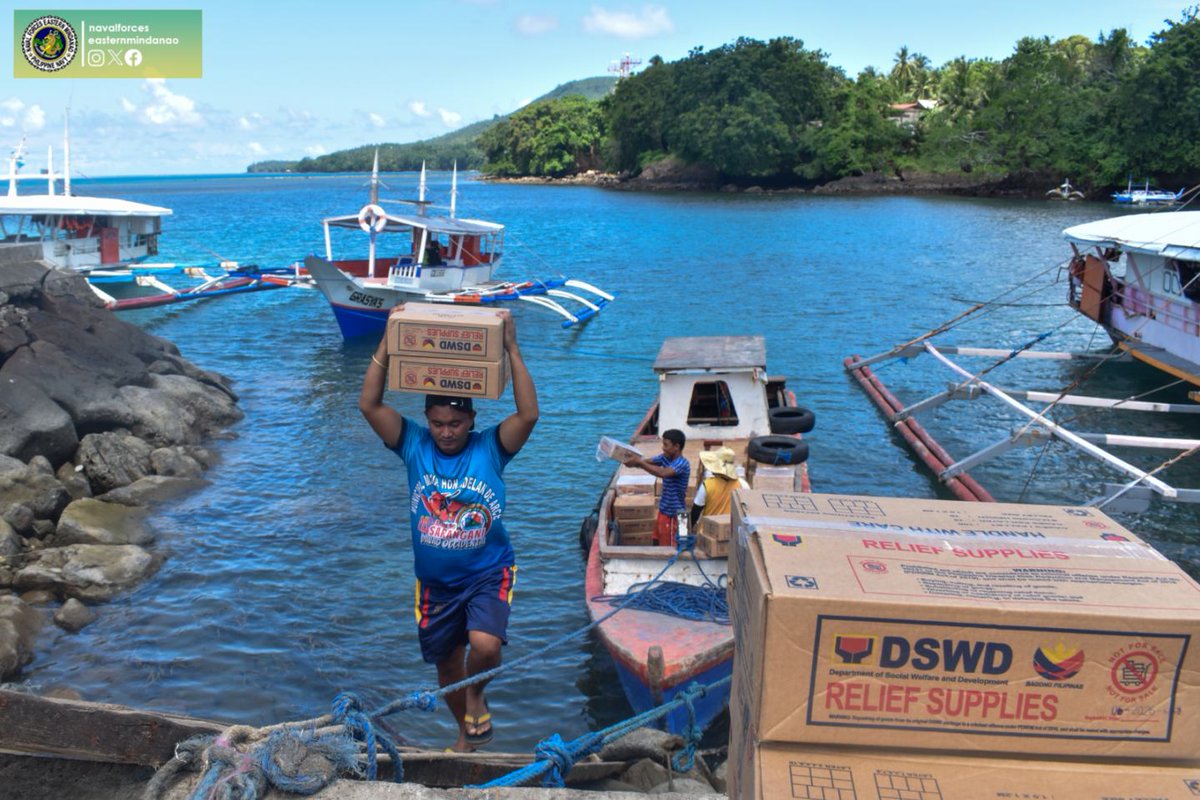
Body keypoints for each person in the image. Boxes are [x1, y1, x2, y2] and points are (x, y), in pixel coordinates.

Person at [359, 307, 538, 752]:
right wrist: (387, 342)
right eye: (438, 424)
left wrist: (512, 348)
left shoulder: (491, 448)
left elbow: (529, 414)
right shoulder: (414, 445)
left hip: (487, 572)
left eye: (455, 424)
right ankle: (464, 733)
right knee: (446, 666)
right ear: (427, 419)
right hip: (435, 585)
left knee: (486, 645)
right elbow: (369, 405)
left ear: (472, 420)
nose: (446, 432)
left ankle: (477, 693)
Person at [624, 429, 689, 546]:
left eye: (666, 445)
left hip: (675, 515)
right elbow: (646, 462)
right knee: (659, 541)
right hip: (664, 511)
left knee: (671, 548)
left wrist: (640, 463)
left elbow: (663, 473)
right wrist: (633, 462)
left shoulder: (682, 463)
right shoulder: (665, 458)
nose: (663, 448)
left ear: (676, 447)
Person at [689, 446, 749, 529]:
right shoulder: (743, 485)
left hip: (709, 531)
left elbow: (695, 512)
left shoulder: (707, 485)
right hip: (732, 531)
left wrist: (690, 528)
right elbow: (747, 512)